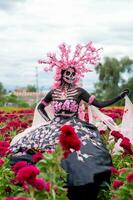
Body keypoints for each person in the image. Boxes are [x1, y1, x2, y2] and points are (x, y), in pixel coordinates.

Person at [10, 42, 129, 200]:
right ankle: (47, 183)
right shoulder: (53, 92)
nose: (71, 76)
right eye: (68, 73)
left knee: (88, 150)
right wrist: (48, 121)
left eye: (73, 74)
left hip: (75, 125)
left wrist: (119, 97)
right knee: (37, 148)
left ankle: (79, 185)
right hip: (55, 125)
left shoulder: (79, 92)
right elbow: (41, 108)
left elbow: (99, 104)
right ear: (61, 73)